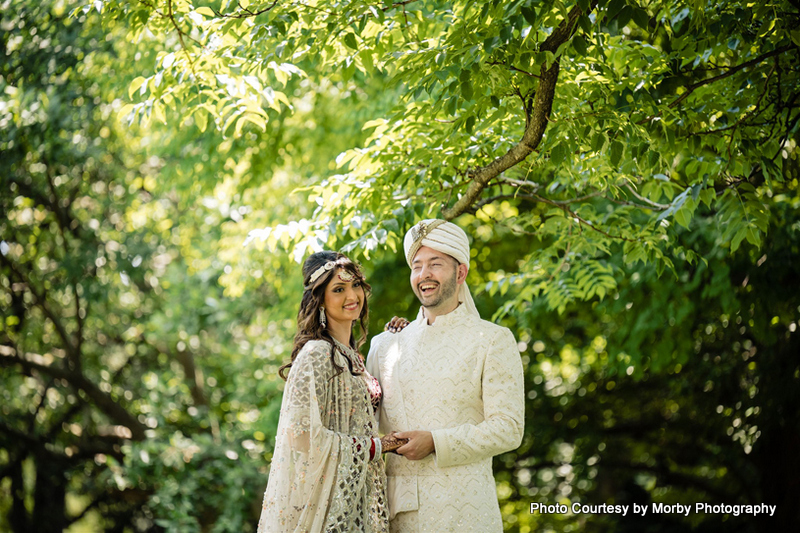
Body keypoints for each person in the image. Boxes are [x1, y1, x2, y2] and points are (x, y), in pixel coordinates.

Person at [366, 219, 525, 532]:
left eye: (435, 264)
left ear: (460, 272)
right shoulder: (385, 345)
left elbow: (508, 429)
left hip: (467, 513)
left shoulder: (492, 340)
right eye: (417, 265)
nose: (424, 274)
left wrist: (437, 442)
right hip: (399, 515)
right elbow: (364, 426)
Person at [258, 251, 395, 533]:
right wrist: (375, 447)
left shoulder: (353, 357)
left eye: (356, 285)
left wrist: (401, 335)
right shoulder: (317, 354)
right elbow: (301, 437)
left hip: (359, 497)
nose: (352, 296)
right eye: (339, 289)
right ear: (320, 299)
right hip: (327, 508)